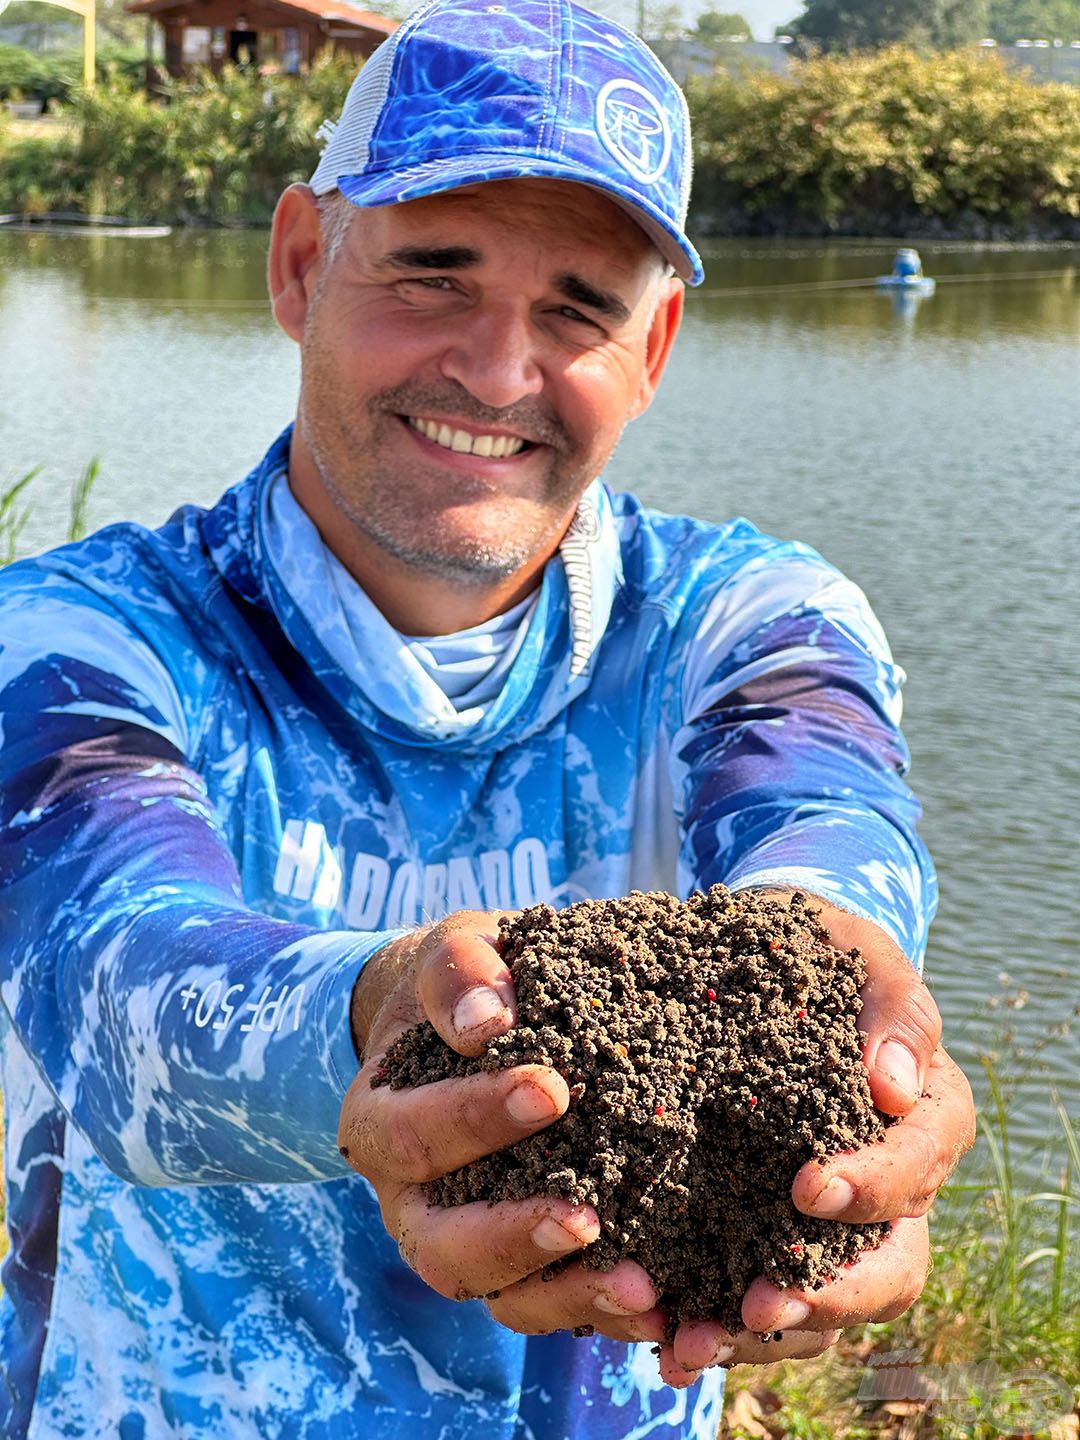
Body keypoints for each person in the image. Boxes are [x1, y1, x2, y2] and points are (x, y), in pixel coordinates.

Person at [0, 2, 976, 1436]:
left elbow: (830, 820)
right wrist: (385, 1018)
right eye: (433, 276)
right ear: (299, 264)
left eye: (579, 308)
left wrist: (852, 1013)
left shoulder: (749, 619)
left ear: (653, 351)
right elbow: (114, 973)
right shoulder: (77, 640)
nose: (498, 369)